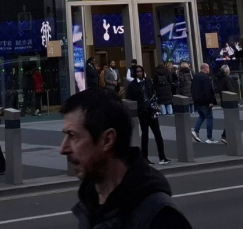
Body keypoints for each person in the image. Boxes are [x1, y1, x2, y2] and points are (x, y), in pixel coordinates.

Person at [60, 88, 192, 229]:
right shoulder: (90, 203)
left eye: (73, 136)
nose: (63, 148)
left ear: (107, 140)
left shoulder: (160, 218)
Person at [127, 66, 170, 165]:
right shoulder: (132, 85)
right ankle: (145, 158)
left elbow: (153, 93)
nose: (139, 73)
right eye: (137, 72)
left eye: (140, 71)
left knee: (158, 134)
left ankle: (162, 157)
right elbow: (130, 99)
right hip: (142, 112)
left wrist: (155, 105)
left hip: (152, 111)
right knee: (145, 135)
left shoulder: (148, 81)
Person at [189, 63, 216, 143]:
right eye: (208, 68)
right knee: (209, 118)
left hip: (197, 101)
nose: (209, 70)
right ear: (205, 69)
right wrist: (210, 101)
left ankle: (196, 131)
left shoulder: (195, 77)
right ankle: (209, 137)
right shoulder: (205, 78)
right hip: (205, 101)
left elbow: (192, 89)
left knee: (201, 116)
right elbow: (207, 90)